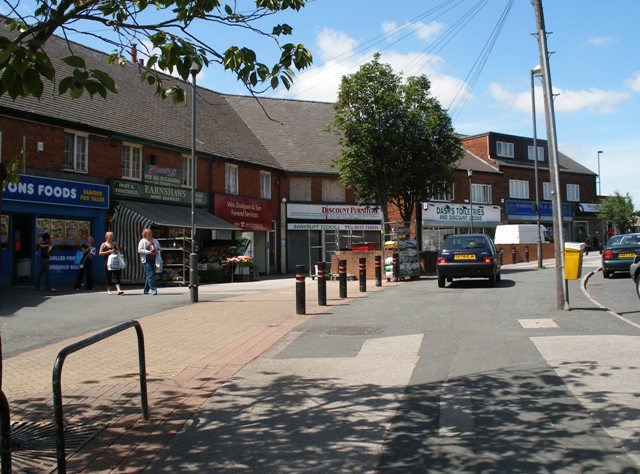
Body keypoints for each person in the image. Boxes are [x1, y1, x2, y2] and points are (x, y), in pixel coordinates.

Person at [138, 228, 161, 295]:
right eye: (148, 234)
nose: (149, 235)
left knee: (150, 274)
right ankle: (154, 290)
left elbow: (159, 248)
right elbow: (139, 250)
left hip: (154, 259)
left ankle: (146, 290)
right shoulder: (142, 241)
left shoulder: (155, 241)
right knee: (150, 274)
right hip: (146, 260)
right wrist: (149, 252)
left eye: (150, 234)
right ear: (145, 234)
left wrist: (157, 251)